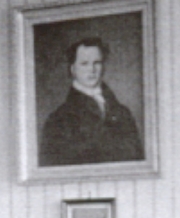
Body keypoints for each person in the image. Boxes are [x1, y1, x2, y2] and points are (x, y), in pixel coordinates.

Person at [39, 37, 142, 167]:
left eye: (97, 63)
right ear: (73, 69)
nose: (92, 69)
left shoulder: (122, 113)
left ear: (103, 67)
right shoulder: (59, 119)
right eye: (84, 63)